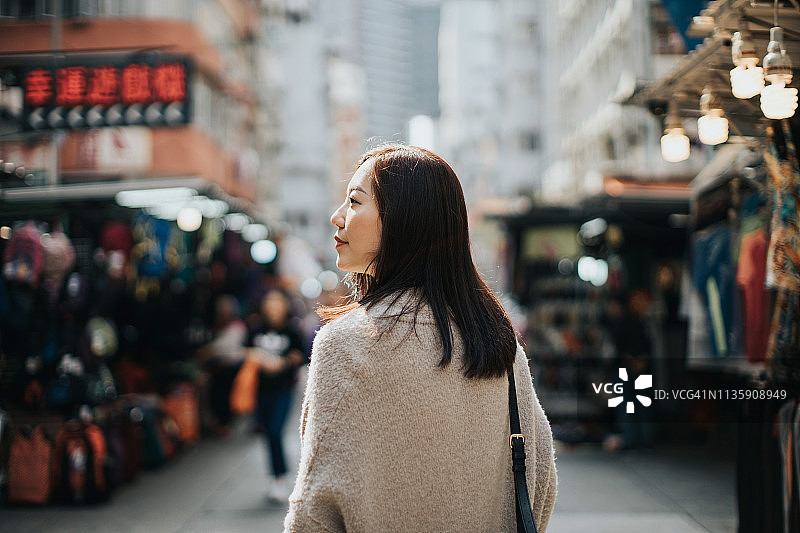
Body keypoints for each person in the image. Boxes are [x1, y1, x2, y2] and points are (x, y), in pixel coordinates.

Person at [284, 144, 558, 532]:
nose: (337, 216)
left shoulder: (347, 345)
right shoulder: (498, 341)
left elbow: (315, 513)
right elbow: (540, 480)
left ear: (404, 220)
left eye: (355, 201)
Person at [247, 288, 307, 501]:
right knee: (266, 434)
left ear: (285, 305)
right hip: (260, 391)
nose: (272, 306)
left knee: (275, 431)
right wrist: (259, 358)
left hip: (283, 390)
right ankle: (276, 477)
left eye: (277, 301)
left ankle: (281, 477)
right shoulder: (256, 330)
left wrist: (283, 363)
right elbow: (245, 351)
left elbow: (301, 356)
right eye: (269, 301)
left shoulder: (292, 331)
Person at [196, 294, 247, 436]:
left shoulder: (237, 326)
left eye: (226, 307)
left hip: (231, 368)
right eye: (221, 308)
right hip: (214, 367)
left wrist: (205, 352)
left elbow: (221, 349)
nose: (223, 311)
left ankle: (224, 421)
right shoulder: (212, 326)